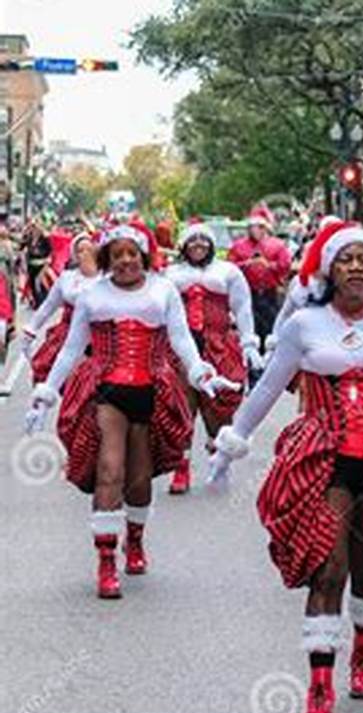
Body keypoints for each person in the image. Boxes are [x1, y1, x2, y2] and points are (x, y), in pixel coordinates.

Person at [208, 221, 363, 713]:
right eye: (345, 259)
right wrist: (234, 438)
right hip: (322, 458)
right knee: (327, 565)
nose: (356, 267)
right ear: (329, 270)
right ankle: (319, 685)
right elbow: (270, 387)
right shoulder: (303, 325)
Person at [26, 222, 233, 600]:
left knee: (138, 480)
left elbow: (181, 339)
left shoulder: (163, 290)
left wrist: (201, 371)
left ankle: (134, 540)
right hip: (106, 390)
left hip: (151, 391)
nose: (125, 261)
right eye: (117, 254)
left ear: (143, 257)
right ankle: (106, 561)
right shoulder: (93, 295)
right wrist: (46, 391)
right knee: (110, 469)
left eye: (131, 254)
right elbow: (73, 349)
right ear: (107, 258)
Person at [162, 223, 262, 494]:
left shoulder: (228, 272)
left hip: (220, 345)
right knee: (181, 407)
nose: (198, 245)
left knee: (220, 406)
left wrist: (249, 343)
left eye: (203, 241)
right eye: (192, 241)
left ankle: (218, 457)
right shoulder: (170, 275)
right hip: (181, 348)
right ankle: (180, 469)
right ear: (183, 245)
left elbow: (242, 309)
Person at [24, 232, 99, 384]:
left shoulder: (106, 278)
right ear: (74, 255)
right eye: (80, 250)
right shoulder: (67, 278)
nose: (85, 254)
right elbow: (48, 307)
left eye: (89, 249)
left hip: (98, 337)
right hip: (68, 334)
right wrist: (31, 329)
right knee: (64, 379)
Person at [228, 207, 292, 357]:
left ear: (265, 228)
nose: (256, 230)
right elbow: (230, 268)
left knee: (272, 327)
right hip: (248, 294)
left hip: (270, 294)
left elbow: (285, 265)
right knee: (249, 328)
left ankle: (272, 357)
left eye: (260, 227)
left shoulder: (277, 245)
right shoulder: (239, 246)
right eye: (253, 227)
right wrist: (247, 264)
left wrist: (268, 265)